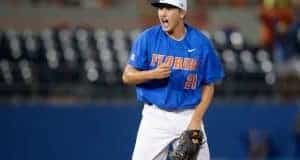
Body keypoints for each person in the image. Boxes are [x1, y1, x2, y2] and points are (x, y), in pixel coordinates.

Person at [122, 0, 224, 159]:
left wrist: (196, 120)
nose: (162, 13)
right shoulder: (147, 38)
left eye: (169, 8)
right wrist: (152, 74)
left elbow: (208, 85)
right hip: (155, 117)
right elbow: (127, 76)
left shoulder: (201, 43)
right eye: (160, 8)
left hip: (189, 114)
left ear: (182, 13)